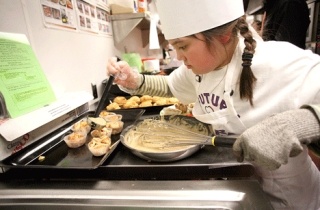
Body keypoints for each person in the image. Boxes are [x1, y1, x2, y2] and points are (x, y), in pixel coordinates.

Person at [106, 0, 320, 209]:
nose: (179, 57)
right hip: (238, 192)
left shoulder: (280, 62)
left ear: (224, 36)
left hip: (294, 200)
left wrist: (297, 123)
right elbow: (170, 86)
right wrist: (135, 81)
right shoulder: (200, 69)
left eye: (183, 46)